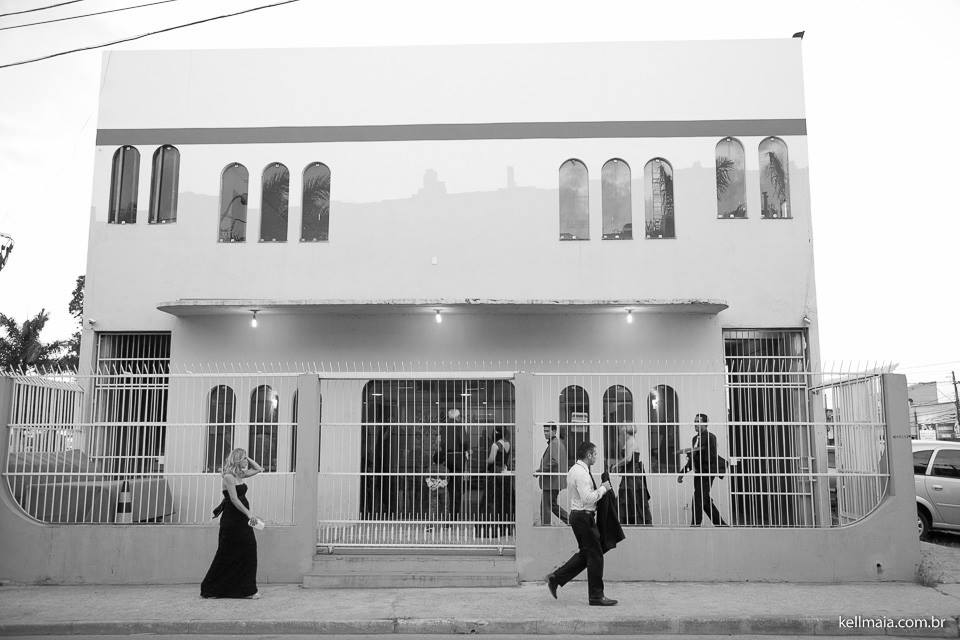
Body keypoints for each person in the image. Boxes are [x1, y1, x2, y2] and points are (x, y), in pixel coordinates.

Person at [545, 441, 618, 606]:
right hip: (583, 517)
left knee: (587, 555)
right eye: (595, 454)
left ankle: (555, 578)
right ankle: (596, 596)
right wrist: (604, 488)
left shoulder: (574, 470)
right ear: (589, 455)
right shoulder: (582, 474)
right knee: (596, 556)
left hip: (579, 517)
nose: (596, 457)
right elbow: (587, 498)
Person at [201, 448, 263, 598]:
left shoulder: (240, 474)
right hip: (232, 519)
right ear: (237, 459)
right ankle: (211, 588)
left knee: (248, 550)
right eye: (243, 459)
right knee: (226, 552)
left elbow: (260, 469)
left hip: (242, 518)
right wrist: (249, 514)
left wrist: (247, 458)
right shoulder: (229, 477)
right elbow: (234, 499)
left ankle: (246, 589)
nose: (246, 462)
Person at [677, 413, 728, 527]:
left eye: (698, 422)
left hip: (707, 473)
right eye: (695, 422)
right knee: (704, 500)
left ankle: (695, 525)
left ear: (705, 423)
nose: (695, 424)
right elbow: (693, 460)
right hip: (698, 473)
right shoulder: (695, 438)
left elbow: (711, 457)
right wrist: (682, 473)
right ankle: (721, 525)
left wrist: (697, 453)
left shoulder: (711, 437)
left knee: (698, 498)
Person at [609, 424, 652, 525]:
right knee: (630, 498)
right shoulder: (630, 441)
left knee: (629, 498)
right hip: (631, 473)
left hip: (631, 475)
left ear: (625, 431)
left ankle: (630, 523)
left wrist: (616, 465)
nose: (621, 432)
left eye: (622, 430)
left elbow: (628, 458)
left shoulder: (630, 441)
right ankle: (631, 522)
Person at [484, 427, 513, 538]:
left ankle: (493, 528)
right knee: (504, 500)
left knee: (493, 500)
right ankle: (506, 526)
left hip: (495, 474)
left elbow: (491, 460)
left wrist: (484, 462)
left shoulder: (495, 445)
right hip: (504, 473)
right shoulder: (508, 444)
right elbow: (507, 460)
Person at [538, 422, 568, 525]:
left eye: (547, 431)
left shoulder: (554, 444)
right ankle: (571, 521)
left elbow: (554, 461)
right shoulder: (555, 443)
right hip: (553, 481)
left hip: (552, 482)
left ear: (554, 431)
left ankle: (545, 527)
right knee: (551, 505)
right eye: (544, 431)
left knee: (546, 506)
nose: (545, 433)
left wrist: (540, 471)